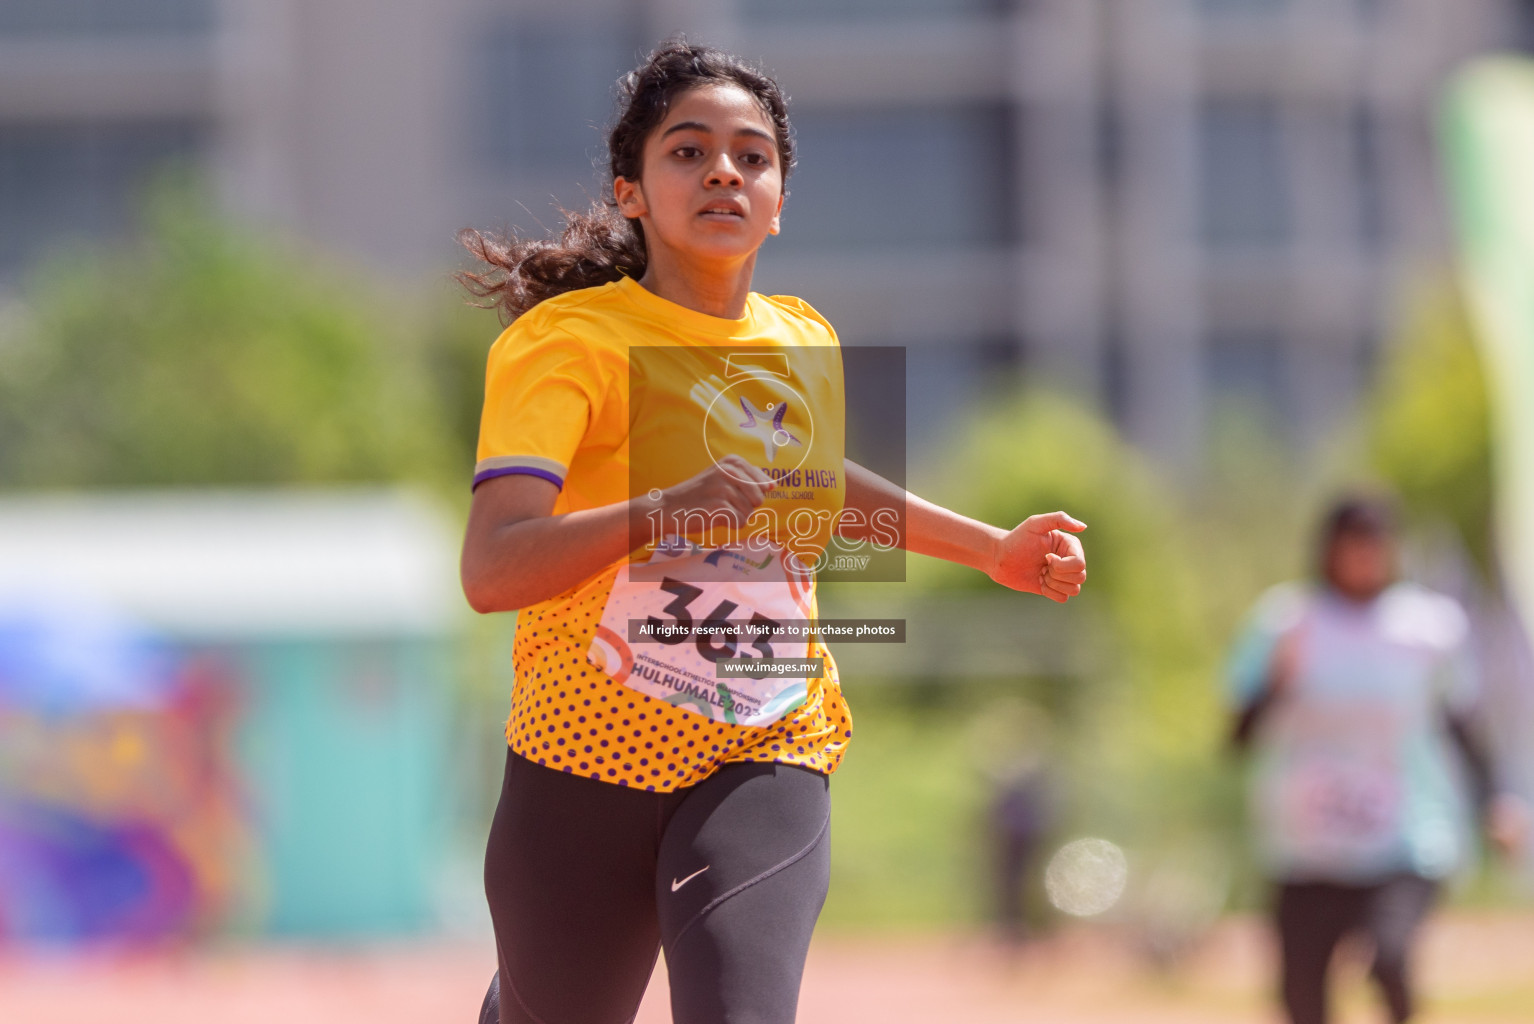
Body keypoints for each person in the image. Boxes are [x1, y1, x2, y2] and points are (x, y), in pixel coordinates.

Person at [455, 40, 1088, 1024]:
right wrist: (671, 509)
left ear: (780, 198)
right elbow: (493, 569)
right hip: (579, 760)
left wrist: (993, 548)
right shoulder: (565, 342)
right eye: (688, 151)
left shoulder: (800, 337)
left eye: (752, 156)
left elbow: (816, 489)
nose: (723, 171)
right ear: (630, 188)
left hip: (763, 743)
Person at [1228, 495, 1529, 1024]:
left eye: (1375, 545)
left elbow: (1461, 724)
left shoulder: (1427, 628)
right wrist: (1275, 685)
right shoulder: (1286, 623)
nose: (1364, 558)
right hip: (1306, 844)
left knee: (1390, 960)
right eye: (1353, 546)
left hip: (1404, 835)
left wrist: (1495, 800)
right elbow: (1237, 737)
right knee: (1302, 997)